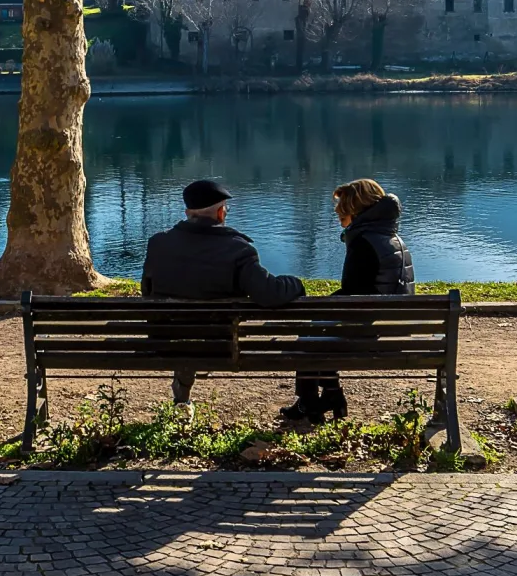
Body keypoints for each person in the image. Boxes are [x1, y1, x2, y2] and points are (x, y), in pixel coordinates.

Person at [142, 179, 305, 407]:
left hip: (165, 340)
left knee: (184, 328)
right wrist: (295, 284)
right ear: (220, 213)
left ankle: (182, 399)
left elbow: (147, 291)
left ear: (188, 212)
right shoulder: (237, 249)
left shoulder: (158, 244)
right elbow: (269, 294)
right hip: (220, 344)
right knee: (199, 330)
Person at [281, 178, 415, 424]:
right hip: (390, 326)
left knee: (309, 337)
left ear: (355, 208)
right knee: (318, 329)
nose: (337, 212)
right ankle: (329, 396)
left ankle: (310, 402)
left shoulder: (365, 242)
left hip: (369, 327)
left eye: (341, 207)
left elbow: (353, 294)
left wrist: (321, 306)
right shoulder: (390, 237)